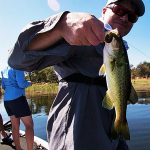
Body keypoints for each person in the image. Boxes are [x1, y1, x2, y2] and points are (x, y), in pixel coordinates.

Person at [8, 0, 145, 149]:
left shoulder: (118, 48)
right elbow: (17, 59)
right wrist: (61, 26)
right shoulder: (77, 32)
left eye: (132, 17)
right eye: (119, 10)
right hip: (77, 134)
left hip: (111, 135)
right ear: (104, 11)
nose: (125, 18)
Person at [1, 66, 34, 150]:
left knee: (15, 126)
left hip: (7, 101)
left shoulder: (3, 70)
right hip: (18, 99)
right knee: (29, 125)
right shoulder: (18, 67)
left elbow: (3, 86)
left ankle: (18, 148)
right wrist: (29, 83)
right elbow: (21, 84)